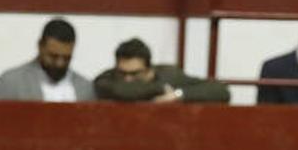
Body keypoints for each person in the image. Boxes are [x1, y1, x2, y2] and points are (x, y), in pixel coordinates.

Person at [0, 17, 94, 102]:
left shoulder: (85, 89)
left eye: (66, 58)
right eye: (53, 57)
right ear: (40, 46)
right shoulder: (11, 83)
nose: (59, 63)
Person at [93, 38, 229, 103]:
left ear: (149, 69)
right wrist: (162, 89)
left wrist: (177, 95)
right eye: (122, 73)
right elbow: (127, 92)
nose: (128, 78)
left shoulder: (169, 75)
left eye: (135, 73)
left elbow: (220, 90)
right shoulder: (106, 79)